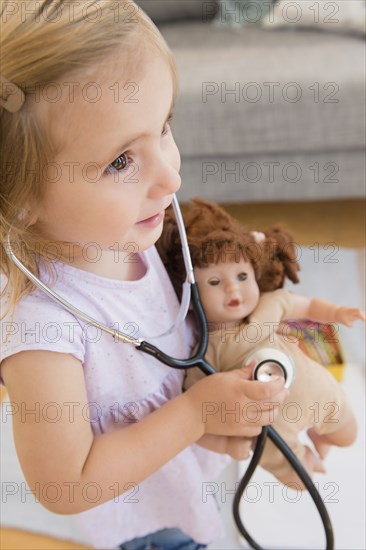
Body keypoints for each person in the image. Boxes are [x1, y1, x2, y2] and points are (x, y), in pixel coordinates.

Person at [0, 2, 290, 549]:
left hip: (183, 466)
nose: (169, 172)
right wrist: (196, 413)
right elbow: (67, 484)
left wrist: (207, 418)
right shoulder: (41, 333)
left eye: (163, 128)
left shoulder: (131, 233)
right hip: (142, 524)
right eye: (120, 162)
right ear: (18, 199)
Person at [157, 198, 364, 489]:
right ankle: (306, 453)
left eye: (242, 276)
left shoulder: (267, 309)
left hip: (321, 394)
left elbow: (303, 305)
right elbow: (197, 420)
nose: (233, 288)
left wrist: (337, 313)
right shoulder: (205, 356)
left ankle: (319, 435)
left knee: (348, 436)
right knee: (301, 480)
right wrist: (226, 445)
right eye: (215, 282)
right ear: (189, 297)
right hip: (271, 435)